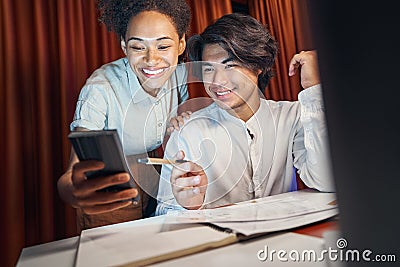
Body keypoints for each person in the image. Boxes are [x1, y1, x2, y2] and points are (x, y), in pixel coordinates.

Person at [156, 13, 335, 214]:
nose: (218, 81)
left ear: (258, 65)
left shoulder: (291, 116)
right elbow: (163, 211)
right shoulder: (188, 131)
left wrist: (313, 89)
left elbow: (326, 180)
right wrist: (189, 206)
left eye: (230, 65)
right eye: (208, 69)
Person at [57, 0, 191, 229]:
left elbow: (177, 126)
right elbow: (71, 174)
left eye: (163, 46)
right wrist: (71, 192)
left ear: (180, 44)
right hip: (111, 183)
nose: (151, 59)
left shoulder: (179, 75)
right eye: (138, 47)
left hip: (157, 176)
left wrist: (179, 124)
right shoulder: (100, 87)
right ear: (124, 47)